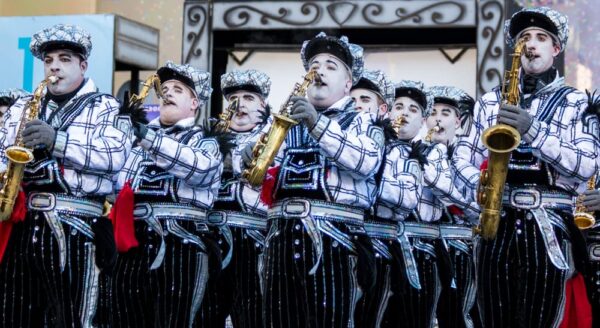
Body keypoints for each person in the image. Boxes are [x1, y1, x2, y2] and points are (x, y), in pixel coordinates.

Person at [453, 7, 599, 326]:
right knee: (493, 315)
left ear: (556, 49)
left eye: (540, 38)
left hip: (548, 225)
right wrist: (481, 186)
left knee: (539, 317)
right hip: (498, 221)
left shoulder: (576, 102)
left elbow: (587, 165)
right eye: (524, 38)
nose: (530, 44)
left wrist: (533, 130)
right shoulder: (490, 101)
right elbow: (461, 156)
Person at [245, 32, 384, 327]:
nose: (319, 70)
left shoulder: (362, 121)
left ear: (348, 84)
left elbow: (366, 162)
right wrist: (248, 158)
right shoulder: (285, 121)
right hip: (280, 237)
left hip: (334, 240)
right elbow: (257, 181)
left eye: (331, 66)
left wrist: (317, 124)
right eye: (315, 64)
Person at [0, 23, 130, 327]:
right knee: (15, 314)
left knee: (72, 316)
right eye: (48, 61)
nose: (54, 66)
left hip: (76, 227)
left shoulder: (104, 106)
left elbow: (114, 156)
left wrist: (57, 141)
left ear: (83, 66)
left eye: (64, 59)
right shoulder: (23, 106)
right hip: (23, 225)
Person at [109, 61, 222, 327]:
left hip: (181, 242)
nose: (167, 93)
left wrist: (146, 136)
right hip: (133, 242)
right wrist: (118, 136)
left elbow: (198, 168)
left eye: (178, 90)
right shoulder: (138, 142)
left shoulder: (205, 141)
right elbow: (115, 185)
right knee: (125, 318)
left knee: (174, 320)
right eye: (166, 89)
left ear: (195, 103)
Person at [197, 69, 272, 327]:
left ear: (263, 104)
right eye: (234, 99)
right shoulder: (207, 138)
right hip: (211, 236)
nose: (239, 105)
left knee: (250, 314)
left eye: (249, 98)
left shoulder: (277, 137)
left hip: (253, 239)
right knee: (204, 313)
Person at [428, 85, 480, 328]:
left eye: (445, 113)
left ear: (458, 122)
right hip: (426, 247)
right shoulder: (415, 154)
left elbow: (479, 209)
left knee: (460, 313)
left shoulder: (469, 160)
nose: (437, 118)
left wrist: (448, 194)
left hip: (461, 249)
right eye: (433, 112)